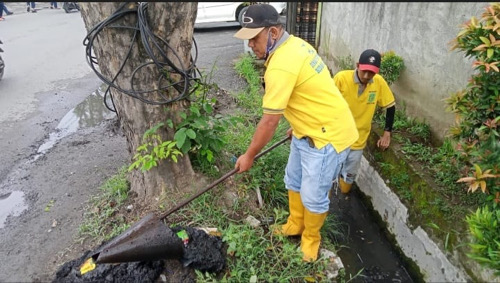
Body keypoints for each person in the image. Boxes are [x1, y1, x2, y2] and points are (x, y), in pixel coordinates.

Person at [233, 4, 358, 262]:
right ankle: (294, 223)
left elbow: (269, 122)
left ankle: (311, 238)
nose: (251, 46)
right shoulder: (297, 45)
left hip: (327, 137)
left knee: (314, 196)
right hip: (306, 130)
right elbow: (312, 88)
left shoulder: (280, 65)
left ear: (274, 33)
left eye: (254, 38)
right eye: (248, 39)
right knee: (293, 179)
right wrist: (299, 121)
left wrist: (249, 155)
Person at [332, 49, 396, 194]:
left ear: (377, 72)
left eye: (371, 73)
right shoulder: (341, 79)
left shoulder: (378, 83)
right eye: (364, 71)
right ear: (357, 65)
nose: (367, 76)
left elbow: (390, 106)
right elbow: (325, 105)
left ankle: (344, 196)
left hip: (358, 140)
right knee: (328, 176)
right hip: (336, 139)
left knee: (349, 176)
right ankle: (324, 208)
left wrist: (387, 133)